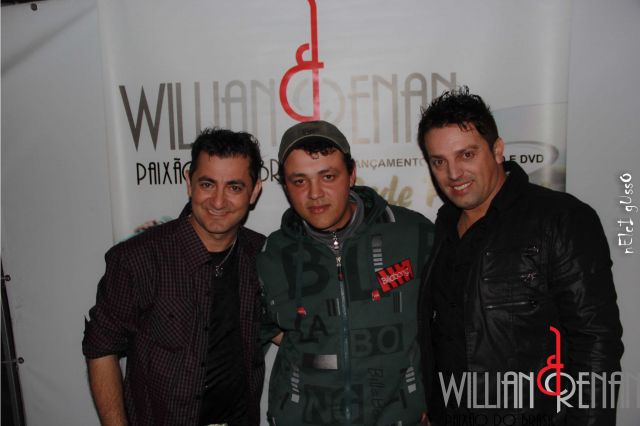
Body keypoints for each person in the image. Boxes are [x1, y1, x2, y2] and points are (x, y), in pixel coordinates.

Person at [416, 87, 624, 425]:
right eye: (439, 161)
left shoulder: (560, 219)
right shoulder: (443, 225)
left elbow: (595, 343)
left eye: (466, 154)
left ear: (497, 150)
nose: (453, 174)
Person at [83, 128, 265, 426]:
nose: (218, 201)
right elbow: (100, 349)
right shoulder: (138, 259)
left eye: (234, 187)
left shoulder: (261, 255)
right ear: (189, 183)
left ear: (254, 190)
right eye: (207, 184)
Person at [259, 120, 435, 425]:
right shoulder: (272, 253)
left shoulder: (412, 233)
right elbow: (260, 328)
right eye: (299, 181)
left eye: (328, 176)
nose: (315, 193)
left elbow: (447, 324)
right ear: (285, 185)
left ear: (351, 174)